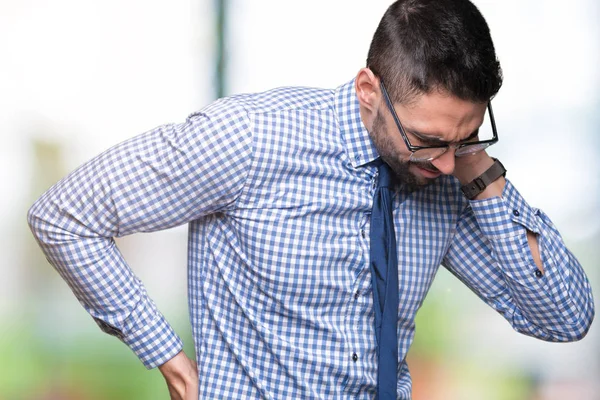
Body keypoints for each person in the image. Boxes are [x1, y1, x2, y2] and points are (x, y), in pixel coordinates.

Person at [28, 0, 594, 399]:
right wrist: (171, 363)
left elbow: (565, 319)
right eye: (428, 140)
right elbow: (66, 216)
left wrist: (480, 167)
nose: (445, 162)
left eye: (466, 135)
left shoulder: (448, 176)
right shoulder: (251, 139)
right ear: (368, 91)